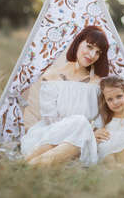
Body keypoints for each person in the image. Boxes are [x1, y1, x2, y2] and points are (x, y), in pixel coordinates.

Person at [20, 26, 109, 167]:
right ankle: (33, 164)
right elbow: (50, 119)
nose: (92, 55)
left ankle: (28, 165)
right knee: (80, 122)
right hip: (48, 137)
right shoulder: (52, 76)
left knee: (81, 127)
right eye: (89, 47)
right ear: (78, 42)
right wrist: (82, 128)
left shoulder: (97, 83)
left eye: (98, 52)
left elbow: (98, 120)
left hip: (84, 139)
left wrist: (92, 132)